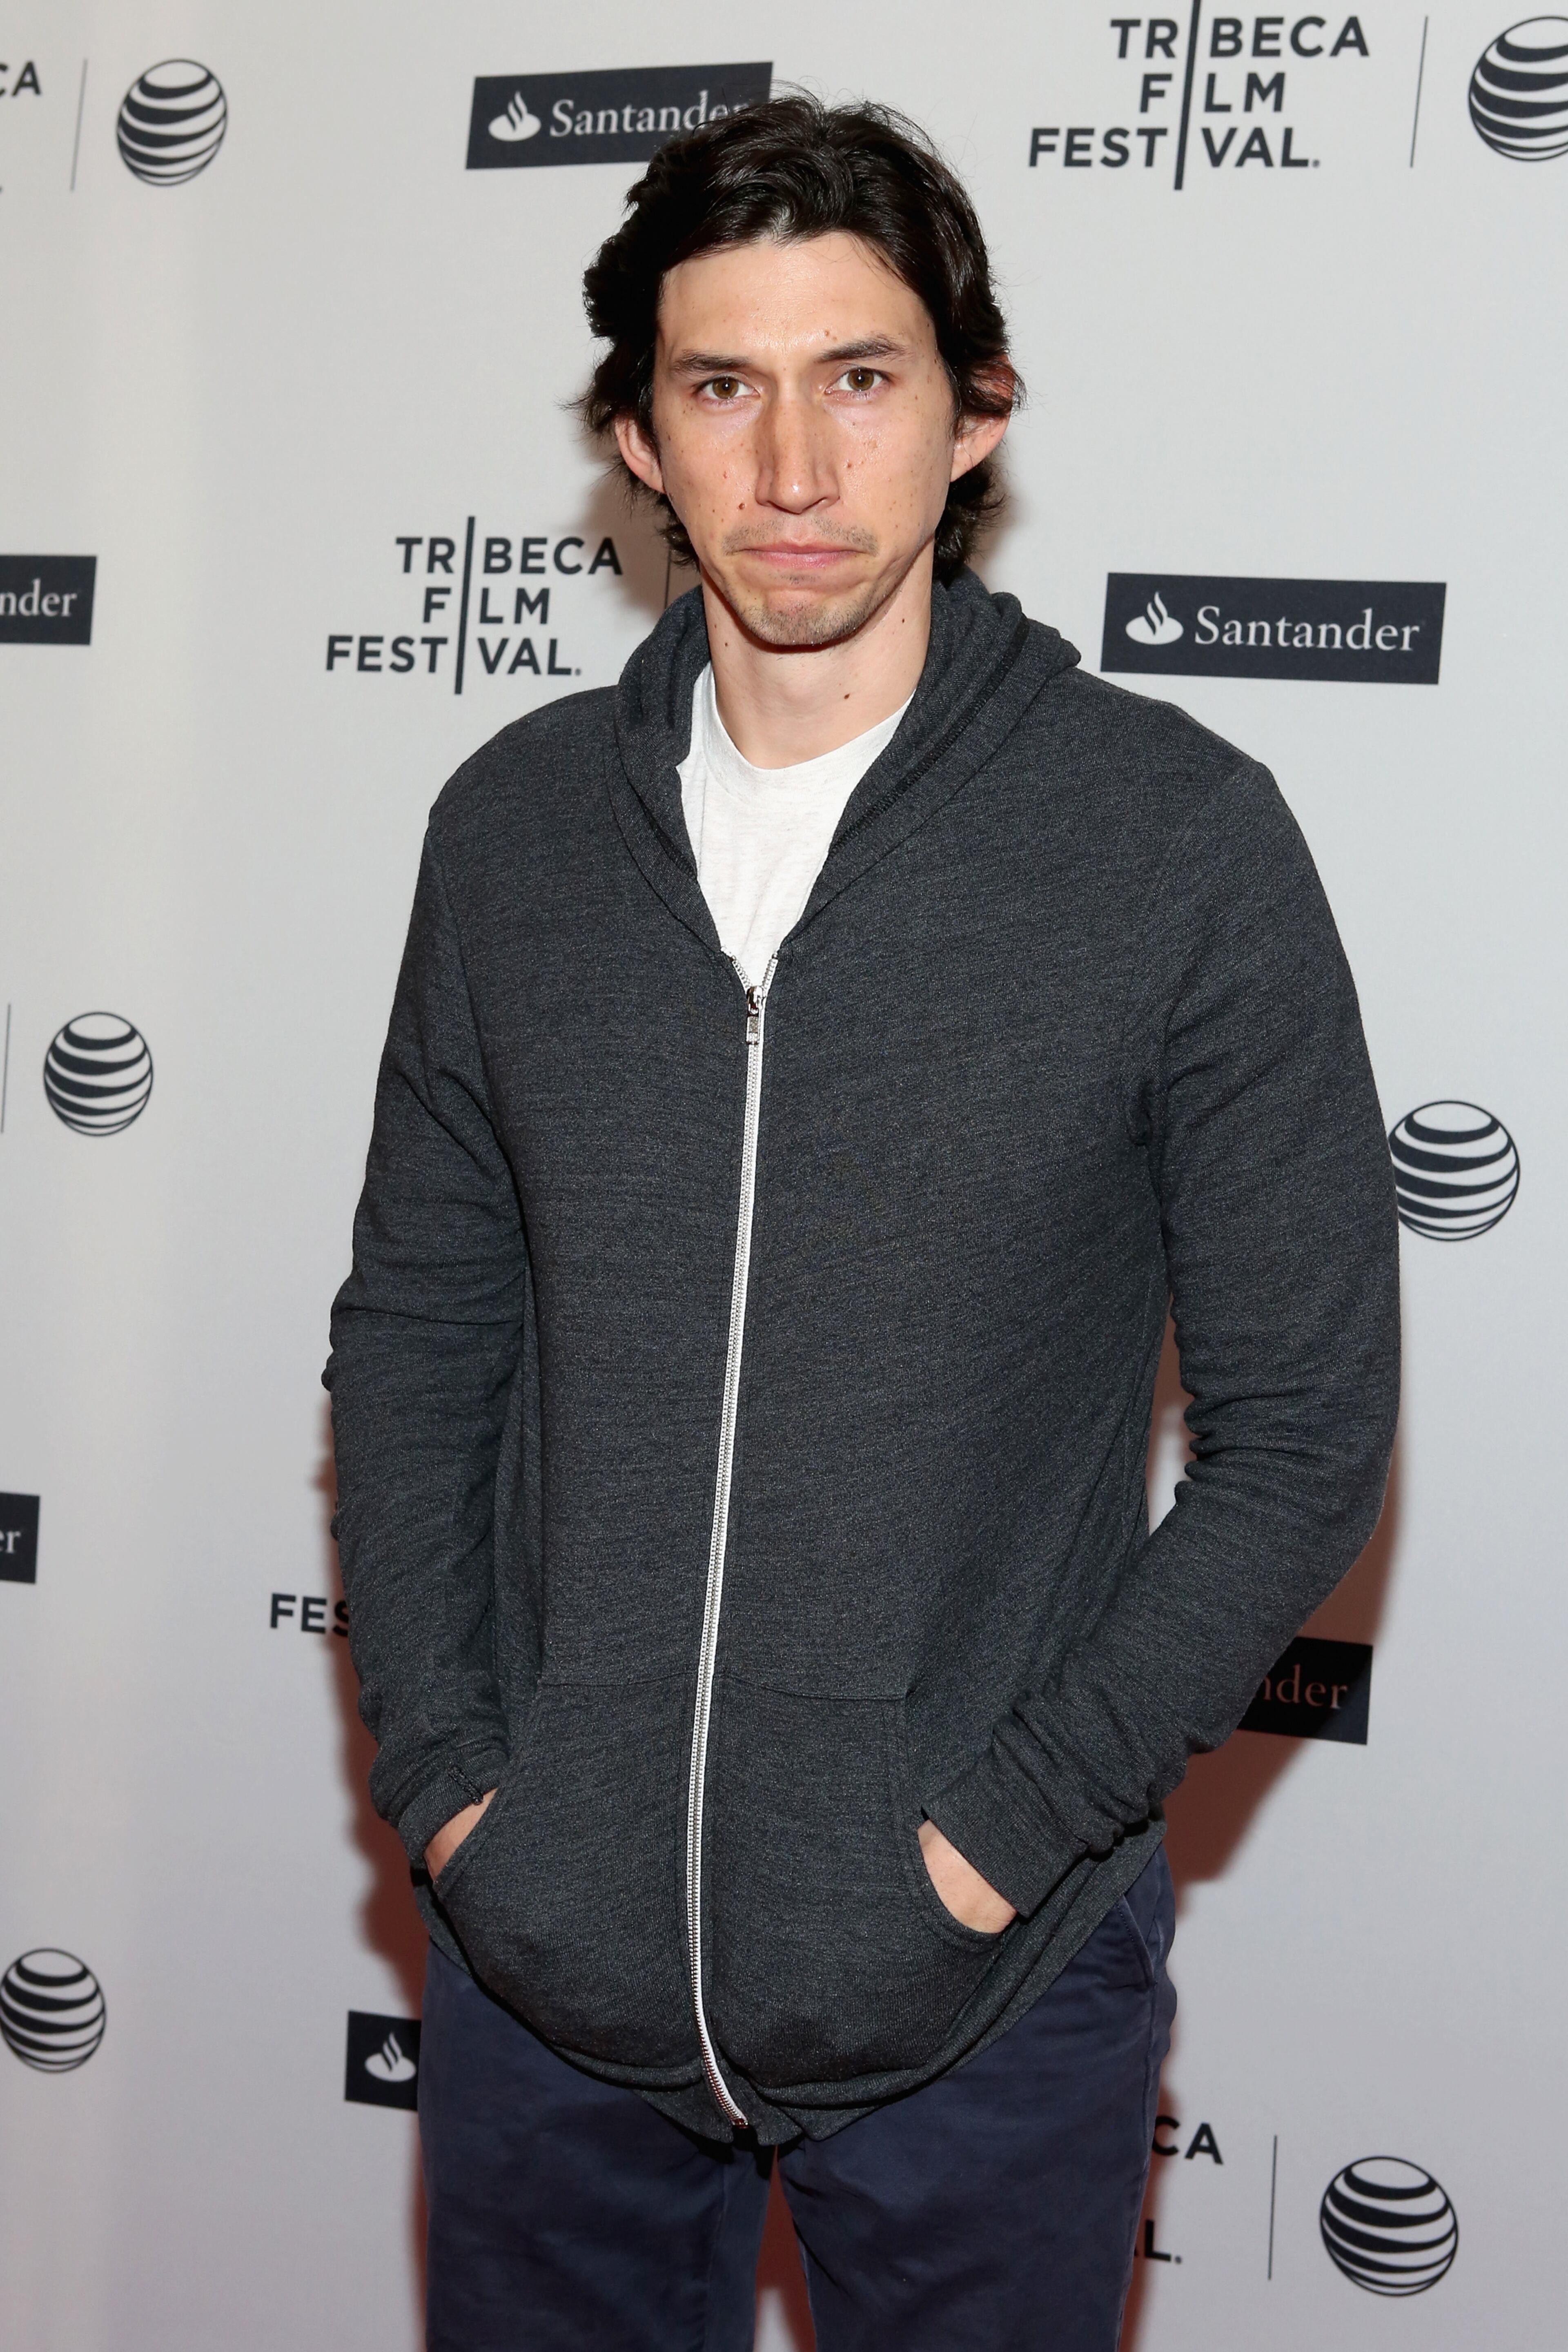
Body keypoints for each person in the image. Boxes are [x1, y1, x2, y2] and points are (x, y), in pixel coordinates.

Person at [325, 94, 1399, 2352]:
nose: (793, 467)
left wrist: (1007, 1835)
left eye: (863, 377)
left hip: (986, 1999)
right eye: (724, 387)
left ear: (975, 408)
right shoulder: (510, 835)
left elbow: (1305, 1430)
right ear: (638, 432)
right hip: (547, 1986)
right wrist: (451, 1794)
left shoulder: (1176, 842)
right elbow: (422, 1333)